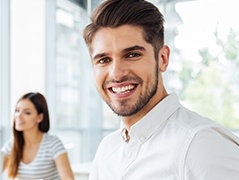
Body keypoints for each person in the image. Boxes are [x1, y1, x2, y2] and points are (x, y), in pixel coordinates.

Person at [82, 0, 239, 179]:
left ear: (163, 58)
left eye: (132, 55)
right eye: (103, 60)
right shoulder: (107, 150)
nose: (116, 74)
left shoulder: (201, 144)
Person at [1, 92, 74, 179]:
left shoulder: (53, 144)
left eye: (27, 113)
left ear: (40, 117)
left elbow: (68, 178)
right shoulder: (12, 144)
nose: (19, 116)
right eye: (17, 110)